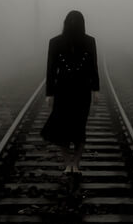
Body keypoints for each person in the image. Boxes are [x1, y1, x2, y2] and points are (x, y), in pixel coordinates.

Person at [40, 10, 100, 175]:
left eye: (76, 21)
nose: (74, 24)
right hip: (63, 91)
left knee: (80, 128)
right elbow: (50, 70)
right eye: (71, 21)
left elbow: (93, 66)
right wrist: (49, 94)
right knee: (63, 129)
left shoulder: (90, 42)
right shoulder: (55, 42)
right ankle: (69, 164)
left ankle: (76, 164)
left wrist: (96, 89)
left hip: (82, 91)